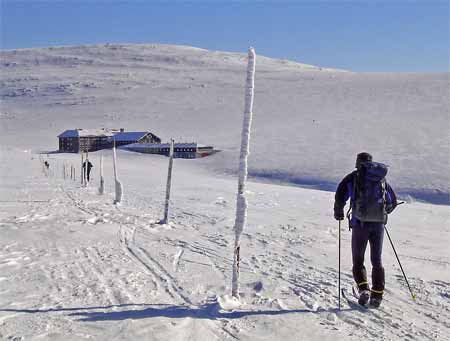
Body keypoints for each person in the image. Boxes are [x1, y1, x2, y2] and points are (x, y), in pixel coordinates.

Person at [334, 152, 397, 307]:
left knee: (358, 259)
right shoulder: (381, 179)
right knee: (377, 260)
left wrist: (339, 212)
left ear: (358, 162)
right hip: (378, 225)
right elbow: (392, 201)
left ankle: (364, 289)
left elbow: (340, 196)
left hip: (360, 224)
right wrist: (382, 212)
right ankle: (377, 295)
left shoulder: (352, 178)